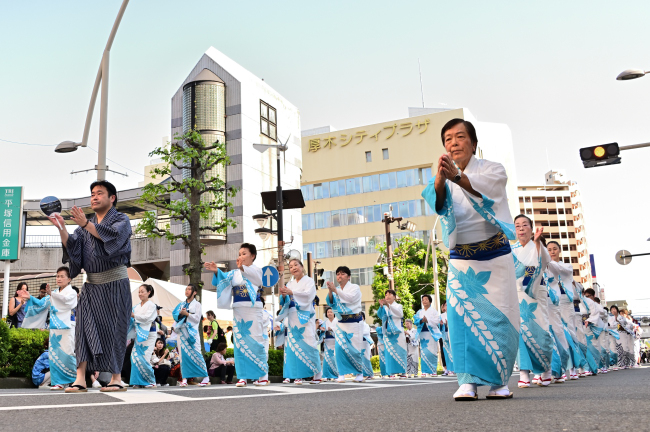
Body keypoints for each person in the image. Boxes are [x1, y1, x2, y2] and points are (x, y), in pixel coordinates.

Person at [421, 118, 519, 401]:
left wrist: (456, 178)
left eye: (460, 137)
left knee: (500, 317)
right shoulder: (442, 176)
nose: (454, 142)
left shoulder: (492, 169)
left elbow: (488, 190)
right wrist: (440, 181)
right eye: (448, 139)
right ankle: (467, 382)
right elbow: (436, 201)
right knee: (461, 319)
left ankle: (499, 381)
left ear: (474, 143)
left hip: (495, 255)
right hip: (462, 259)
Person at [48, 180, 132, 394]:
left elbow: (112, 240)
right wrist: (62, 228)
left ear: (112, 198)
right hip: (92, 285)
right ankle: (80, 379)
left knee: (114, 329)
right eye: (92, 194)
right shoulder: (86, 225)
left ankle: (116, 377)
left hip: (115, 283)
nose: (94, 197)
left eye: (99, 194)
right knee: (83, 330)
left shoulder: (121, 220)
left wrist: (85, 224)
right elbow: (74, 248)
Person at [206, 243, 268, 387]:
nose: (241, 256)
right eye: (239, 254)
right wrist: (217, 272)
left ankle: (261, 375)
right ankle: (243, 377)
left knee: (256, 341)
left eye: (244, 253)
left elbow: (258, 280)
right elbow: (223, 280)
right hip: (239, 309)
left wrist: (242, 268)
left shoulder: (257, 270)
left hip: (253, 309)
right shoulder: (234, 273)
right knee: (240, 343)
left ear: (252, 256)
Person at [511, 215, 553, 388]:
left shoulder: (537, 246)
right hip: (516, 295)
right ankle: (523, 373)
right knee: (519, 334)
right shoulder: (511, 249)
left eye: (525, 225)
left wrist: (537, 243)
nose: (521, 228)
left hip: (536, 294)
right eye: (517, 226)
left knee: (541, 333)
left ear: (531, 228)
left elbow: (545, 261)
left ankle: (546, 369)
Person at [24, 267, 78, 391]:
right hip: (54, 328)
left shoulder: (71, 292)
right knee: (54, 355)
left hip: (67, 327)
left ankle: (72, 380)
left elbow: (67, 302)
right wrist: (30, 297)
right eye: (57, 276)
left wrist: (51, 294)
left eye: (62, 276)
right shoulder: (54, 292)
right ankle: (58, 382)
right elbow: (42, 304)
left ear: (69, 279)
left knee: (68, 353)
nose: (58, 278)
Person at [276, 259, 322, 385]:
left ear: (302, 266)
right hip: (292, 316)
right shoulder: (290, 283)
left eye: (296, 265)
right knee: (293, 346)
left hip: (305, 315)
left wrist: (292, 293)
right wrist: (284, 295)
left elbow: (308, 296)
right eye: (290, 266)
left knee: (309, 342)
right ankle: (297, 375)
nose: (293, 268)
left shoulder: (309, 281)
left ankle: (317, 373)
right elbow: (285, 301)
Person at [325, 266, 364, 383]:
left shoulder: (354, 288)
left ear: (348, 276)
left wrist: (336, 291)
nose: (339, 276)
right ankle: (341, 374)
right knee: (339, 348)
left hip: (354, 322)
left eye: (342, 274)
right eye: (337, 274)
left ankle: (359, 373)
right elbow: (331, 302)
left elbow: (350, 299)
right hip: (341, 323)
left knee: (354, 350)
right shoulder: (336, 289)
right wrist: (330, 291)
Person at [544, 241, 574, 383]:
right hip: (544, 301)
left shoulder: (565, 265)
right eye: (549, 249)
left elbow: (563, 271)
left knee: (561, 333)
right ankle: (548, 369)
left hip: (559, 302)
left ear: (560, 250)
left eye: (555, 249)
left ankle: (563, 368)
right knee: (546, 333)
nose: (552, 251)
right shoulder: (543, 263)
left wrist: (545, 260)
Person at [173, 284, 210, 387]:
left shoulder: (197, 304)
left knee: (197, 353)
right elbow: (175, 315)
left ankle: (205, 377)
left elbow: (197, 318)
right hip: (182, 332)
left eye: (189, 289)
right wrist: (181, 314)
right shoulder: (181, 304)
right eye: (186, 289)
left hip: (192, 333)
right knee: (183, 356)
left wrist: (187, 314)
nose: (187, 291)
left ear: (194, 292)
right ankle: (184, 378)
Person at [128, 284, 158, 388]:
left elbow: (147, 318)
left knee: (145, 357)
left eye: (142, 291)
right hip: (139, 335)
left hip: (149, 334)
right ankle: (138, 381)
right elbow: (132, 319)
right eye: (139, 292)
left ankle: (150, 380)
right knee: (134, 357)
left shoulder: (152, 305)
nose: (140, 294)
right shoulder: (136, 307)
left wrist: (133, 315)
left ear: (149, 292)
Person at [377, 289, 407, 380]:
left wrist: (389, 306)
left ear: (394, 297)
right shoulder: (385, 307)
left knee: (400, 351)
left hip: (398, 332)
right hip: (388, 333)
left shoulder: (399, 306)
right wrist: (381, 307)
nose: (388, 296)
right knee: (389, 353)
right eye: (386, 295)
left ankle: (403, 372)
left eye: (390, 294)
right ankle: (391, 372)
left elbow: (399, 314)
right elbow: (380, 316)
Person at [413, 294, 442, 378]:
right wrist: (422, 320)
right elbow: (415, 321)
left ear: (430, 301)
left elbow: (437, 321)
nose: (424, 301)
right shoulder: (419, 312)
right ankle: (424, 371)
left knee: (432, 352)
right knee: (424, 352)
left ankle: (433, 370)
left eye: (426, 299)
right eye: (423, 299)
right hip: (423, 334)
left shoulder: (434, 311)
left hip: (431, 333)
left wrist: (427, 320)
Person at [321, 307, 339, 381]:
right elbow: (321, 332)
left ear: (334, 313)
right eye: (328, 312)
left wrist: (331, 329)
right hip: (327, 342)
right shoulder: (324, 323)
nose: (329, 313)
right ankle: (326, 375)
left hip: (335, 342)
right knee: (327, 359)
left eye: (331, 312)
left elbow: (339, 330)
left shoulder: (337, 321)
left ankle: (336, 375)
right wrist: (322, 332)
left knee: (335, 359)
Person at [439, 302, 454, 377]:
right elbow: (438, 325)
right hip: (444, 335)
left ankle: (453, 368)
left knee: (452, 352)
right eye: (445, 305)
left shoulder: (453, 314)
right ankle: (446, 369)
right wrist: (441, 324)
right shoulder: (441, 315)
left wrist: (449, 324)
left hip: (452, 335)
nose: (446, 306)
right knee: (444, 352)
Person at [362, 312, 374, 380]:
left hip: (365, 342)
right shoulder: (357, 325)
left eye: (361, 317)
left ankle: (370, 374)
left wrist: (359, 333)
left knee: (366, 358)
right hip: (359, 343)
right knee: (360, 359)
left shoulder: (366, 325)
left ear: (363, 318)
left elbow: (366, 332)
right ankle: (363, 374)